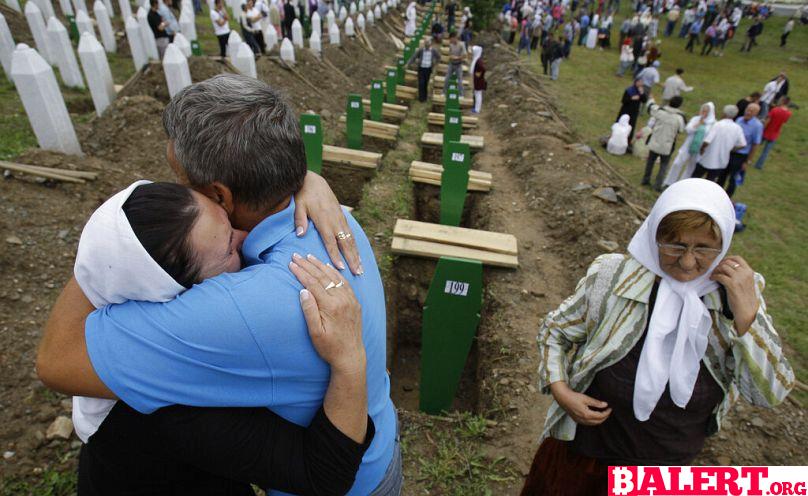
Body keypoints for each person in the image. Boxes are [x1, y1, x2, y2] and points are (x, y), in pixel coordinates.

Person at [36, 74, 402, 496]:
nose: (176, 193)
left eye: (179, 178)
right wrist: (310, 180)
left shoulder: (237, 308)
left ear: (221, 196)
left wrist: (102, 260)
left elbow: (57, 361)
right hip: (381, 447)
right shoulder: (333, 218)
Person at [71, 180, 374, 494]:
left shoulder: (128, 305)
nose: (247, 237)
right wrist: (350, 360)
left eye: (230, 224)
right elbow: (323, 474)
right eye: (229, 248)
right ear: (185, 294)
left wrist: (306, 182)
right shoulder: (169, 406)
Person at [520, 178, 794, 495]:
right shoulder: (613, 277)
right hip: (585, 460)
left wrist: (749, 318)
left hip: (662, 476)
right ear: (654, 236)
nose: (688, 262)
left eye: (704, 248)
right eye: (674, 245)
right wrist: (561, 390)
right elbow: (556, 330)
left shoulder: (734, 296)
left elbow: (768, 395)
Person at [664, 102, 716, 187]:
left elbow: (709, 136)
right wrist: (698, 124)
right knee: (677, 163)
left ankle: (682, 185)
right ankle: (669, 182)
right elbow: (688, 129)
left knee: (691, 167)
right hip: (688, 145)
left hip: (699, 148)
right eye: (703, 111)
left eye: (706, 112)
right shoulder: (696, 119)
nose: (704, 113)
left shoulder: (712, 124)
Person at [642, 95, 686, 191]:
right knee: (663, 166)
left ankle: (645, 179)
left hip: (655, 141)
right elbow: (681, 129)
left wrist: (652, 99)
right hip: (667, 145)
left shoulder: (660, 111)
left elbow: (650, 107)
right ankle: (657, 185)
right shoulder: (679, 118)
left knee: (650, 161)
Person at [693, 104, 746, 182]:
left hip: (707, 158)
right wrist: (731, 149)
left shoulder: (718, 124)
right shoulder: (737, 128)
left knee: (695, 178)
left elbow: (707, 140)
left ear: (724, 113)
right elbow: (743, 144)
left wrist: (702, 149)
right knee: (711, 182)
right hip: (721, 161)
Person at [719, 102, 762, 197]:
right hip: (730, 152)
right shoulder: (739, 119)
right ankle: (717, 193)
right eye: (747, 109)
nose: (748, 112)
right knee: (722, 173)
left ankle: (727, 197)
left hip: (741, 155)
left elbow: (755, 144)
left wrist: (747, 161)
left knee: (733, 178)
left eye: (752, 111)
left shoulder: (757, 126)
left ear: (756, 114)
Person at [755, 96, 792, 170]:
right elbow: (784, 122)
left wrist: (762, 128)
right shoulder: (788, 113)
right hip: (775, 133)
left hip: (766, 131)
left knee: (755, 145)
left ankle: (747, 159)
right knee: (766, 151)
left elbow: (767, 121)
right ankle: (759, 165)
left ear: (782, 101)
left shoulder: (775, 110)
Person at [617, 78, 648, 151]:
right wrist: (632, 98)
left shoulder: (641, 91)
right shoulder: (629, 90)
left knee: (631, 126)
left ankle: (627, 141)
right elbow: (624, 100)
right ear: (636, 82)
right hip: (626, 110)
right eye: (639, 82)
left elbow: (644, 100)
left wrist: (642, 93)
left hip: (634, 112)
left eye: (642, 82)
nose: (641, 84)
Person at [407, 37, 440, 102]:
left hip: (428, 69)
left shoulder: (433, 51)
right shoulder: (421, 50)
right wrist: (408, 64)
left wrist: (435, 63)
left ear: (430, 44)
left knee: (426, 83)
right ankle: (421, 98)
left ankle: (425, 97)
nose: (427, 45)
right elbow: (414, 57)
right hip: (421, 68)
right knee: (421, 83)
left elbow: (438, 57)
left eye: (428, 43)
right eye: (426, 43)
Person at [445, 31, 466, 96]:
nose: (450, 40)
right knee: (447, 78)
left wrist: (457, 58)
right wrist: (451, 56)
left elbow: (464, 55)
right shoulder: (451, 45)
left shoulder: (461, 44)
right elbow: (449, 54)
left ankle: (461, 94)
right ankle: (444, 93)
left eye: (451, 39)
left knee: (460, 80)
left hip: (458, 65)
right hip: (451, 64)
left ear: (454, 38)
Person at [470, 45, 486, 114]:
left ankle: (477, 109)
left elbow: (483, 69)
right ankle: (475, 107)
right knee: (476, 93)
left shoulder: (479, 61)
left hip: (479, 80)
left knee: (478, 94)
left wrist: (478, 74)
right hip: (477, 80)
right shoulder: (476, 59)